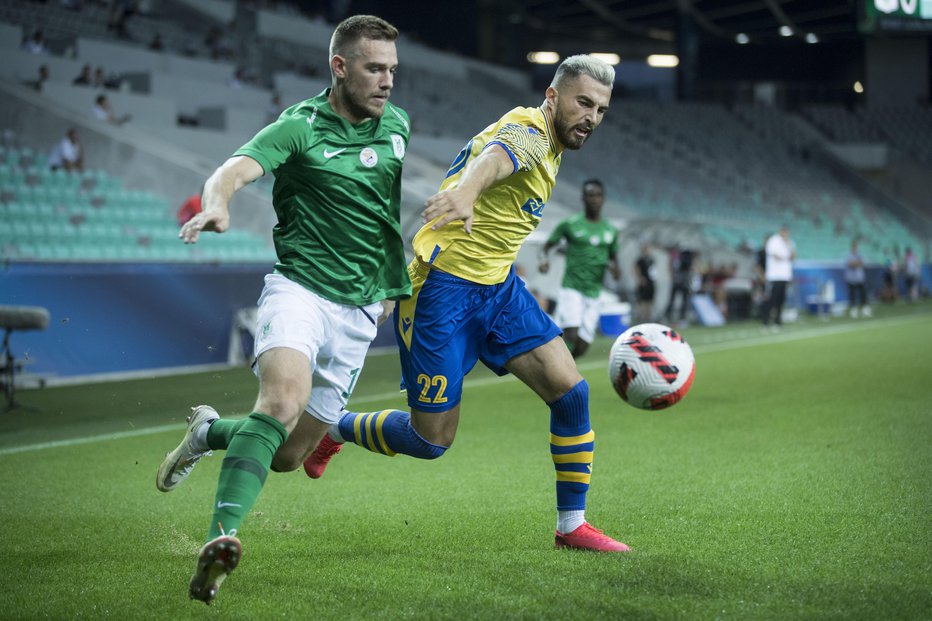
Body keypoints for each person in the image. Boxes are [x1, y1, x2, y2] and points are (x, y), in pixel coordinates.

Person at [305, 54, 629, 553]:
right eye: (583, 102)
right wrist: (467, 194)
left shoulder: (554, 141)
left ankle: (571, 527)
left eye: (601, 109)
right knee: (430, 440)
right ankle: (337, 426)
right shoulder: (532, 129)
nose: (591, 116)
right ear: (552, 96)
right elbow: (499, 155)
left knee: (571, 393)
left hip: (499, 289)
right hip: (441, 294)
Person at [154, 15, 410, 604]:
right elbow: (233, 170)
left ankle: (207, 433)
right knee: (281, 403)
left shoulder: (396, 125)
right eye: (374, 68)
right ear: (339, 67)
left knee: (290, 453)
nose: (387, 81)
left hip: (361, 311)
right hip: (300, 292)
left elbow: (377, 215)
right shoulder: (299, 126)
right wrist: (217, 205)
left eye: (393, 70)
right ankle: (221, 539)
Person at [538, 179, 619, 358]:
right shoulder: (570, 224)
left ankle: (559, 365)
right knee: (572, 334)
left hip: (594, 291)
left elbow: (614, 259)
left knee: (582, 346)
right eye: (590, 195)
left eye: (598, 195)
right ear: (583, 198)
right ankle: (557, 369)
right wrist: (544, 261)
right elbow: (546, 247)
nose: (594, 199)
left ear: (603, 198)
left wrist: (615, 270)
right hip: (572, 287)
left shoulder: (610, 230)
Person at [761, 224, 795, 329]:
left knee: (781, 299)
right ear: (781, 231)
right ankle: (766, 321)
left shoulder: (790, 242)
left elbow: (793, 256)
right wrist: (786, 255)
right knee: (772, 299)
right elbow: (776, 256)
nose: (786, 234)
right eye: (784, 232)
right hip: (774, 276)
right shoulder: (773, 241)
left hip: (785, 276)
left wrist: (788, 246)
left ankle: (778, 321)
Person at [664, 245, 694, 325]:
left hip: (683, 282)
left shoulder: (685, 259)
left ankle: (682, 318)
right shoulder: (675, 259)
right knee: (672, 300)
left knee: (683, 301)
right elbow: (670, 268)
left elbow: (688, 269)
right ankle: (668, 317)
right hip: (677, 282)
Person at [845, 240, 869, 318]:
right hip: (851, 279)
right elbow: (852, 264)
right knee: (852, 295)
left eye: (856, 247)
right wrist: (857, 263)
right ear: (852, 248)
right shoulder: (849, 255)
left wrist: (857, 263)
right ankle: (854, 310)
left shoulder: (859, 255)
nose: (855, 249)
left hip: (860, 278)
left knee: (863, 294)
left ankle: (865, 309)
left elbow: (861, 263)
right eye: (854, 247)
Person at [634, 242, 655, 323]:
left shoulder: (651, 260)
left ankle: (648, 318)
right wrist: (640, 278)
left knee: (650, 302)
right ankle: (641, 319)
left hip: (651, 283)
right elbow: (636, 269)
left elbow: (653, 271)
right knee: (642, 302)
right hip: (644, 284)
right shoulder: (640, 260)